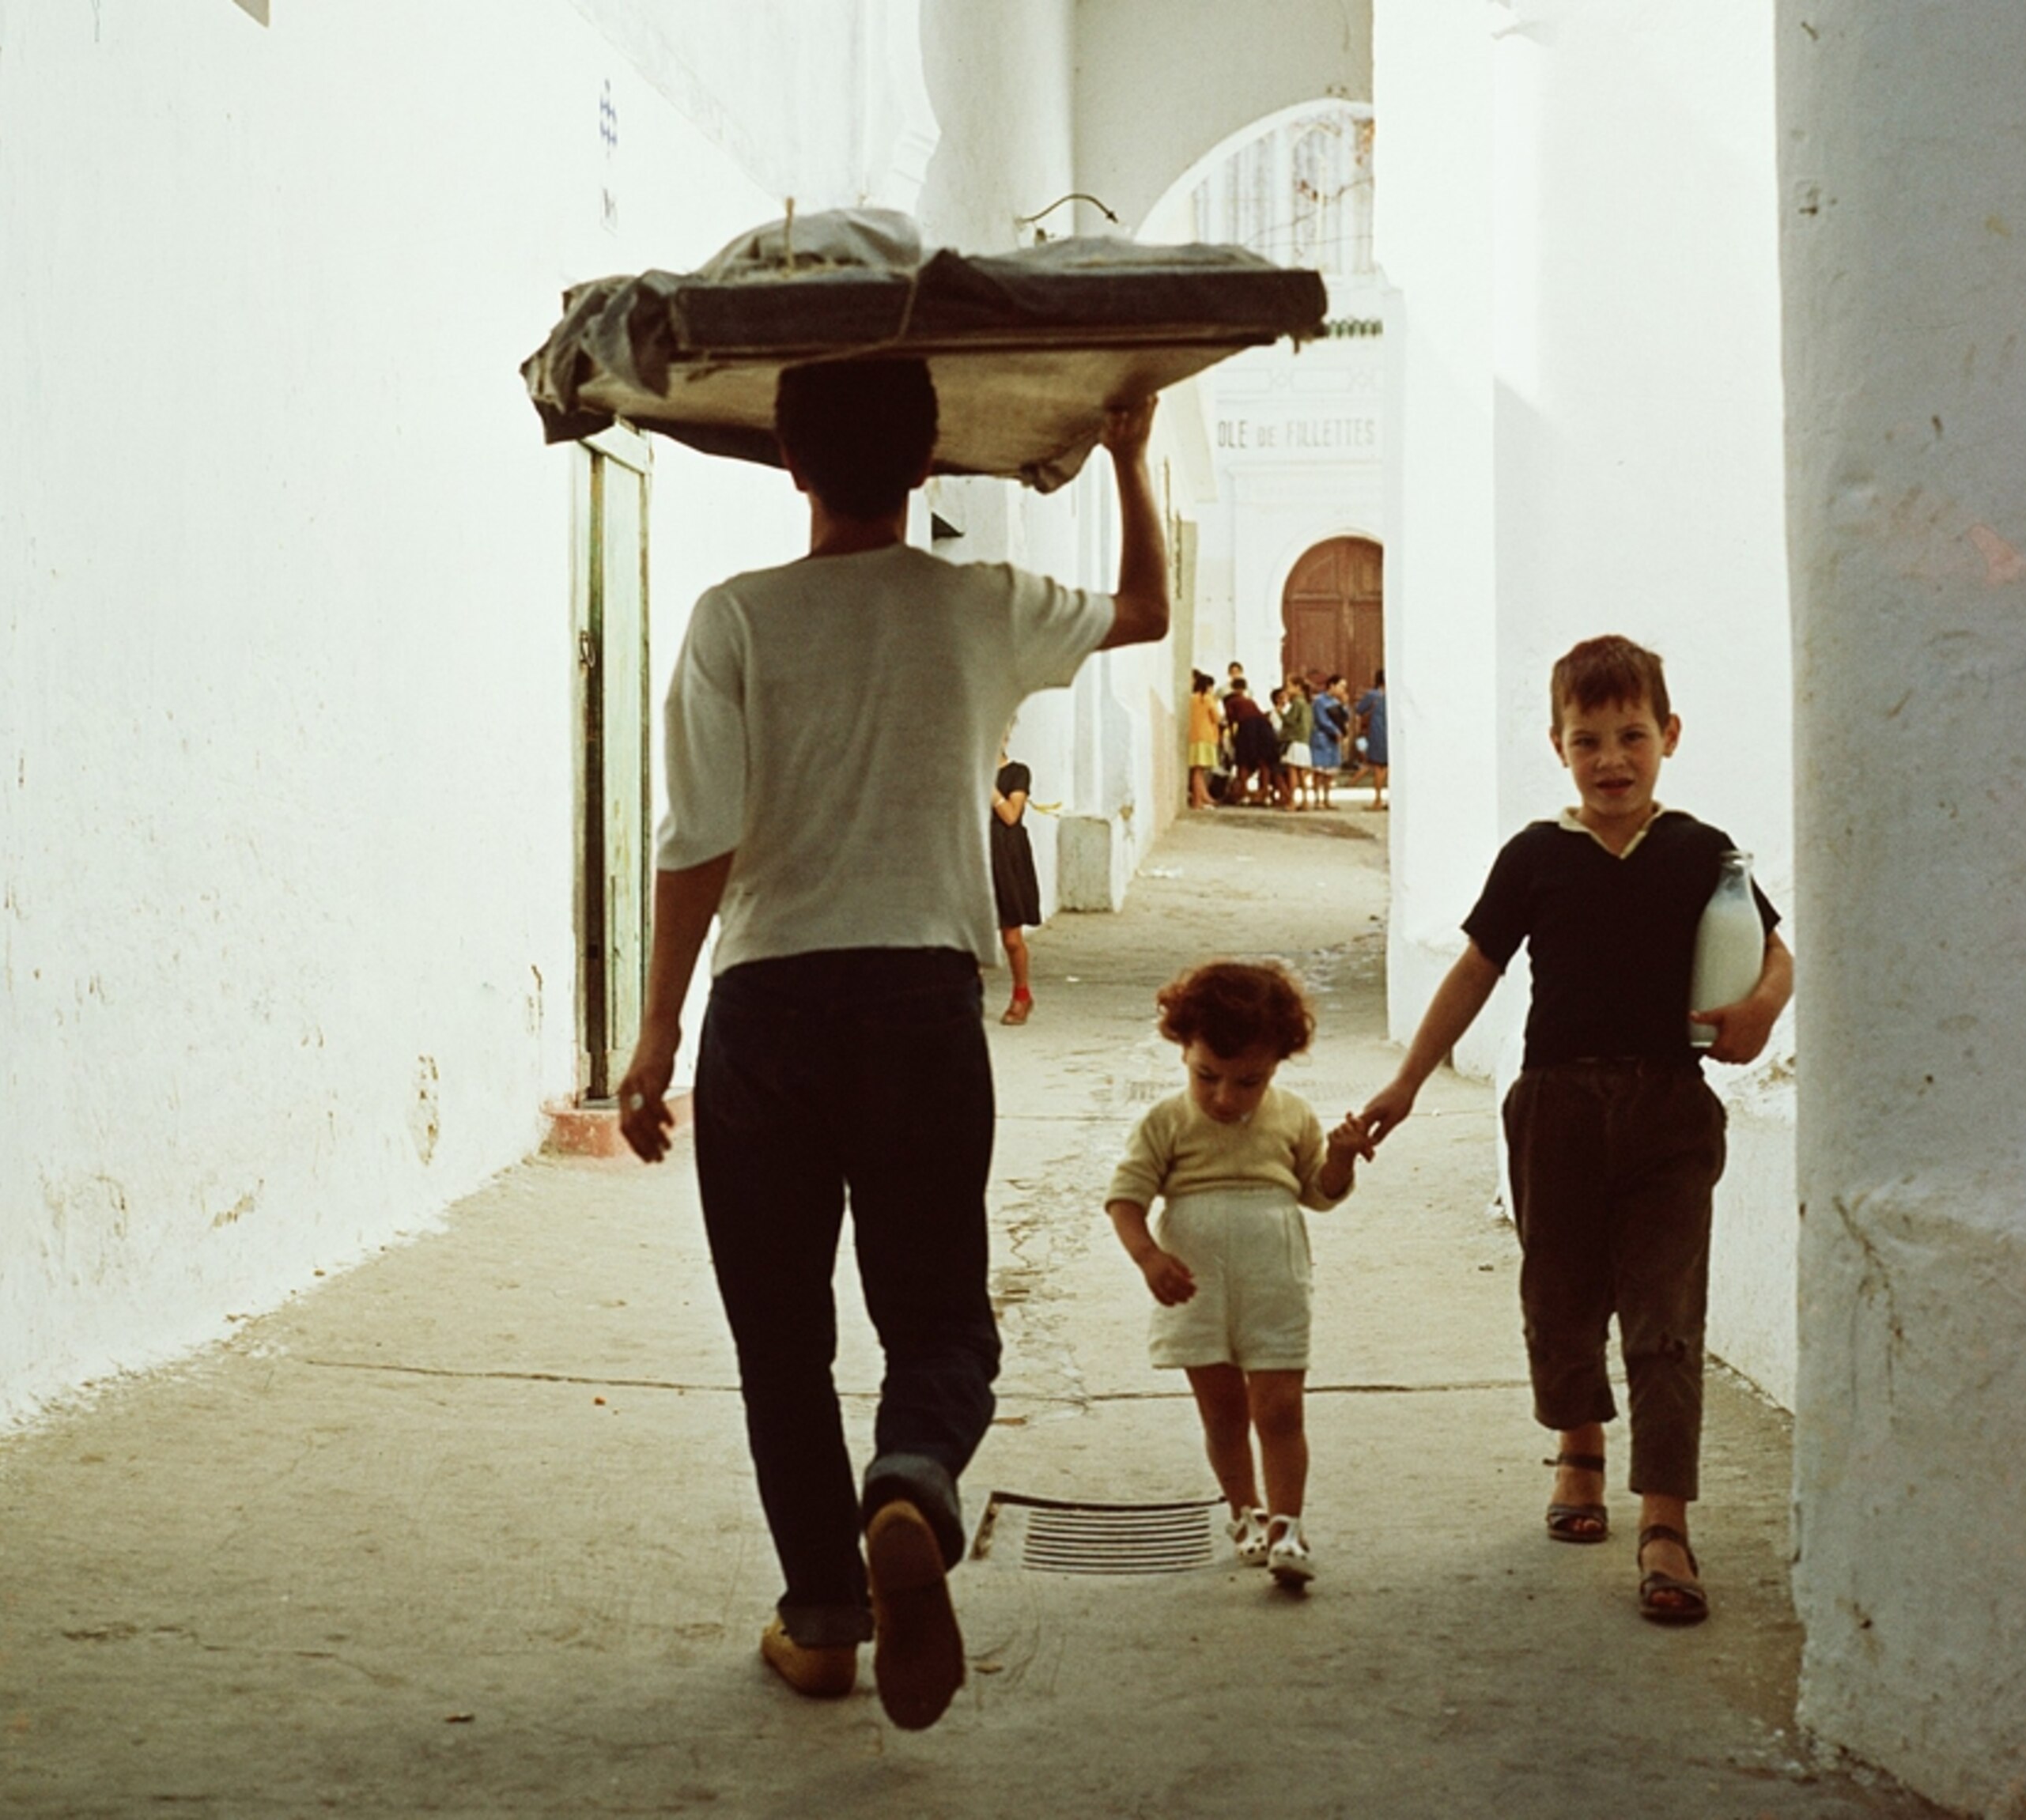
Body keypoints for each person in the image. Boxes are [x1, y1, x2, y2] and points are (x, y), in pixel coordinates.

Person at [615, 358, 1169, 1727]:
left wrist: (653, 1038)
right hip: (919, 1004)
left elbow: (697, 845)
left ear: (790, 465)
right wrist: (1129, 458)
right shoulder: (981, 603)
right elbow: (1151, 611)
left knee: (779, 1337)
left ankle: (820, 1620)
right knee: (935, 1316)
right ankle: (913, 1476)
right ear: (927, 465)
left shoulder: (734, 617)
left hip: (766, 1014)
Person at [1348, 634, 1793, 1626]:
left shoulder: (1699, 852)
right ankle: (1580, 1448)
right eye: (1587, 739)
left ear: (1668, 736)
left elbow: (1776, 956)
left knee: (1667, 1313)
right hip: (1554, 1107)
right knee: (1559, 1296)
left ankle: (1666, 1520)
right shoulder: (1534, 858)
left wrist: (1760, 1011)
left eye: (1631, 735)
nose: (1611, 760)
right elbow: (1474, 971)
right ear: (1558, 746)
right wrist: (1407, 1082)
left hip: (1670, 1109)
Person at [1104, 961, 1366, 1589]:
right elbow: (1126, 1197)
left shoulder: (1294, 1116)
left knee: (1280, 1409)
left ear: (1277, 1064)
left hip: (1274, 1278)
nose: (1224, 1098)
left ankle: (1287, 1527)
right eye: (1206, 1077)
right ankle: (1243, 1513)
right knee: (1223, 1413)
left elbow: (1319, 1193)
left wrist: (1344, 1157)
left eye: (1248, 1082)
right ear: (1184, 1050)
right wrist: (1148, 1258)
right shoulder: (1166, 1121)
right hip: (1195, 1283)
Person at [990, 743, 1038, 1025]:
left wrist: (989, 787)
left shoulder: (1018, 773)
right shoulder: (968, 770)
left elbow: (1010, 815)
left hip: (1007, 857)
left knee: (1011, 938)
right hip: (977, 853)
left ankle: (1022, 996)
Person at [1223, 676, 1277, 805]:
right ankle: (1264, 793)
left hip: (1247, 727)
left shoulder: (1230, 701)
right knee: (1264, 761)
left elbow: (1231, 721)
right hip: (1264, 727)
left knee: (1243, 761)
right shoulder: (1250, 701)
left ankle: (1244, 793)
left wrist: (1233, 738)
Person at [1308, 674, 1348, 810]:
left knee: (1330, 772)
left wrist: (1344, 704)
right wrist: (1334, 731)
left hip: (1334, 740)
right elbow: (1321, 719)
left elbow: (1344, 718)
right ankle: (1317, 798)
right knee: (1319, 771)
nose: (1343, 690)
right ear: (1332, 685)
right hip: (1323, 737)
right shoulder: (1320, 701)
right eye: (1341, 686)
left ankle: (1327, 798)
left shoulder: (1336, 702)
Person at [1188, 670, 1223, 810]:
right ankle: (1197, 801)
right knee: (1199, 771)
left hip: (1194, 736)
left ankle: (1202, 798)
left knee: (1197, 770)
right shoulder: (1207, 699)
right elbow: (1217, 718)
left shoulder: (1192, 699)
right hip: (1206, 736)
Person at [1276, 678, 1313, 810]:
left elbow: (1290, 721)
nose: (1287, 690)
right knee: (1302, 773)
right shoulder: (1307, 703)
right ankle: (1305, 800)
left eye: (1289, 687)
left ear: (1298, 688)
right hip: (1304, 741)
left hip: (1295, 740)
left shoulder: (1297, 703)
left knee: (1292, 771)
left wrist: (1281, 712)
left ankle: (1292, 801)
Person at [1357, 670, 1389, 809]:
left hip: (1377, 733)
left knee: (1378, 767)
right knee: (1388, 767)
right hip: (1392, 733)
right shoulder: (1394, 695)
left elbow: (1359, 709)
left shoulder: (1373, 695)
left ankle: (1378, 799)